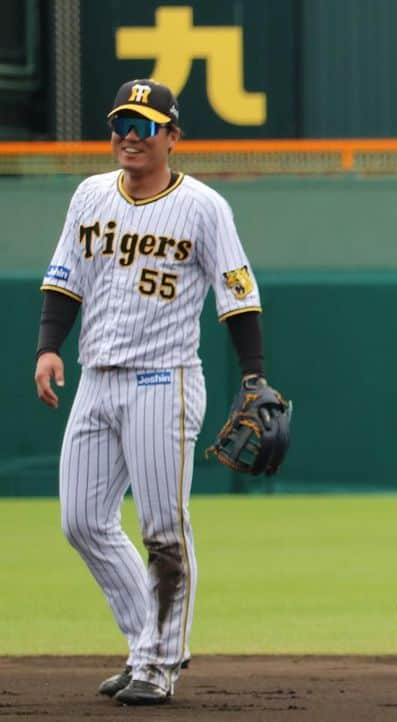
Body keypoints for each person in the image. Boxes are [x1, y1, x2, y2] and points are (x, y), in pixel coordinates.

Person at [34, 79, 273, 705]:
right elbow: (65, 279)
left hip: (163, 381)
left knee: (163, 528)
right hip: (95, 377)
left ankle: (159, 663)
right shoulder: (89, 194)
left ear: (173, 135)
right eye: (121, 124)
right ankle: (152, 642)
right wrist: (48, 346)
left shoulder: (203, 206)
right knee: (82, 520)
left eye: (144, 126)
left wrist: (253, 374)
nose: (129, 136)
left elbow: (238, 293)